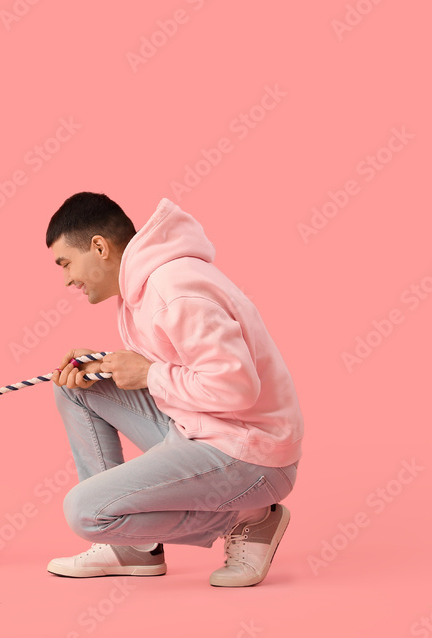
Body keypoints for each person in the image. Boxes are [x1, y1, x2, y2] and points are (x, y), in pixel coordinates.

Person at [44, 192, 303, 587]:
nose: (66, 280)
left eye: (66, 263)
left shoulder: (172, 289)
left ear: (99, 247)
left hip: (251, 454)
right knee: (79, 387)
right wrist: (107, 366)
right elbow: (180, 365)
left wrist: (147, 374)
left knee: (86, 512)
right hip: (201, 428)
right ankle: (132, 549)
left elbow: (237, 388)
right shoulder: (143, 287)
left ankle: (252, 515)